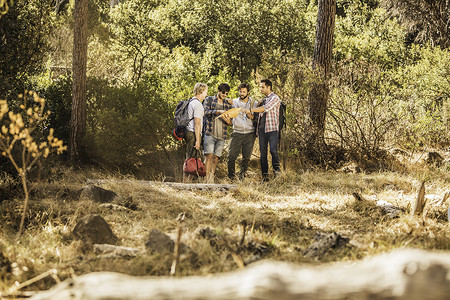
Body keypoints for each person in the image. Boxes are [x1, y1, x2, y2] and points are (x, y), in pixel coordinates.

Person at [244, 79, 281, 182]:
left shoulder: (275, 98)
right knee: (263, 154)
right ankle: (265, 177)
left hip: (272, 129)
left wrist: (252, 109)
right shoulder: (263, 100)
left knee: (273, 151)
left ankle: (277, 175)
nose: (260, 89)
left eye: (262, 87)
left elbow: (266, 108)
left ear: (269, 87)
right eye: (260, 87)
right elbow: (258, 115)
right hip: (261, 130)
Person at [227, 83, 258, 181]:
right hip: (237, 132)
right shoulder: (234, 102)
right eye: (240, 91)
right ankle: (231, 178)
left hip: (250, 133)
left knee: (246, 158)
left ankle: (241, 178)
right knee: (231, 156)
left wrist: (250, 116)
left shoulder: (254, 103)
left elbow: (256, 118)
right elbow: (230, 117)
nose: (242, 93)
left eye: (244, 91)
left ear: (248, 92)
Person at [203, 83, 233, 183]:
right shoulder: (209, 99)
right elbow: (205, 112)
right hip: (210, 133)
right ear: (218, 91)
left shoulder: (228, 104)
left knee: (215, 158)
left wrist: (228, 121)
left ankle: (211, 177)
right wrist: (218, 111)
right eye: (223, 92)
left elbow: (230, 123)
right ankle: (206, 178)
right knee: (208, 156)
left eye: (227, 93)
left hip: (222, 135)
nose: (225, 95)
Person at [184, 82, 208, 182]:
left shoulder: (191, 101)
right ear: (201, 91)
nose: (206, 94)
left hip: (188, 132)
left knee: (190, 158)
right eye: (206, 91)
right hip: (193, 134)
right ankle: (186, 182)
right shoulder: (198, 105)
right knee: (191, 160)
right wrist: (198, 141)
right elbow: (197, 124)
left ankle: (186, 182)